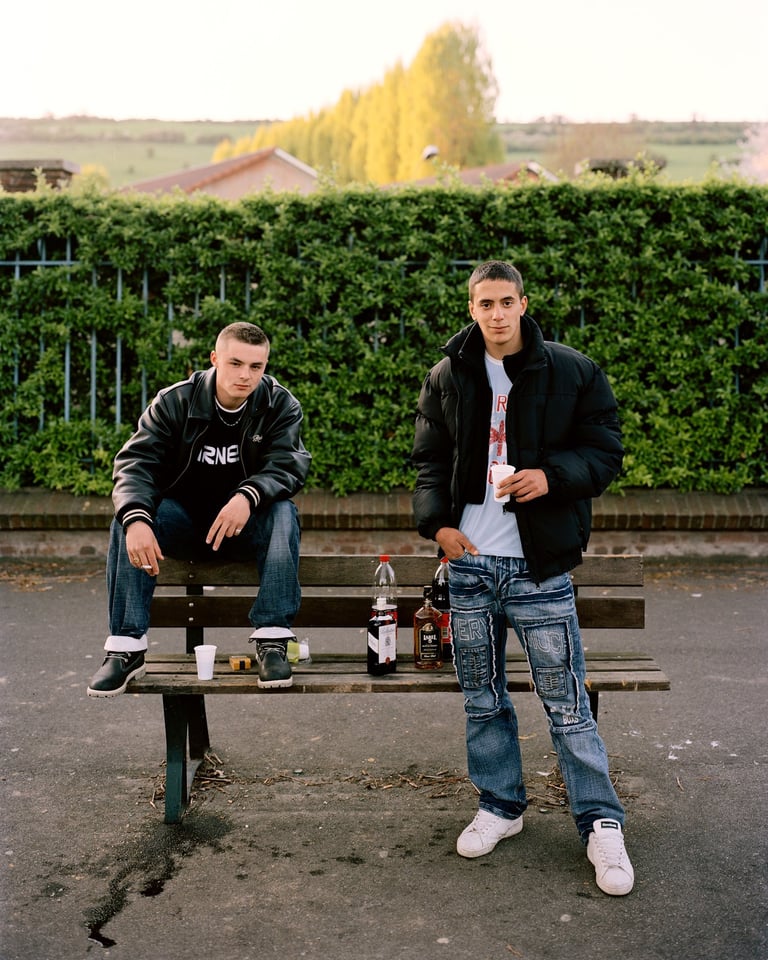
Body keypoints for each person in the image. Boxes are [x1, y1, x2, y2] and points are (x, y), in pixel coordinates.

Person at [411, 260, 633, 896]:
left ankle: (601, 823)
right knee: (482, 699)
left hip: (538, 566)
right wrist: (437, 527)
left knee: (565, 703)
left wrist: (550, 476)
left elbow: (605, 451)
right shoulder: (447, 374)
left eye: (507, 302)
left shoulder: (571, 369)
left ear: (523, 304)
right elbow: (429, 460)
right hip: (470, 566)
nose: (497, 314)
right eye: (485, 304)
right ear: (472, 309)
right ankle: (500, 805)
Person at [87, 321, 311, 697]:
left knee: (282, 512)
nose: (245, 375)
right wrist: (136, 519)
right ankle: (126, 648)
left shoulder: (279, 405)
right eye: (235, 363)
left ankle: (273, 640)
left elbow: (288, 464)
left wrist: (247, 496)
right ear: (214, 359)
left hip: (242, 529)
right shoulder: (175, 401)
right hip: (184, 524)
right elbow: (136, 464)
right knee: (130, 520)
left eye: (256, 366)